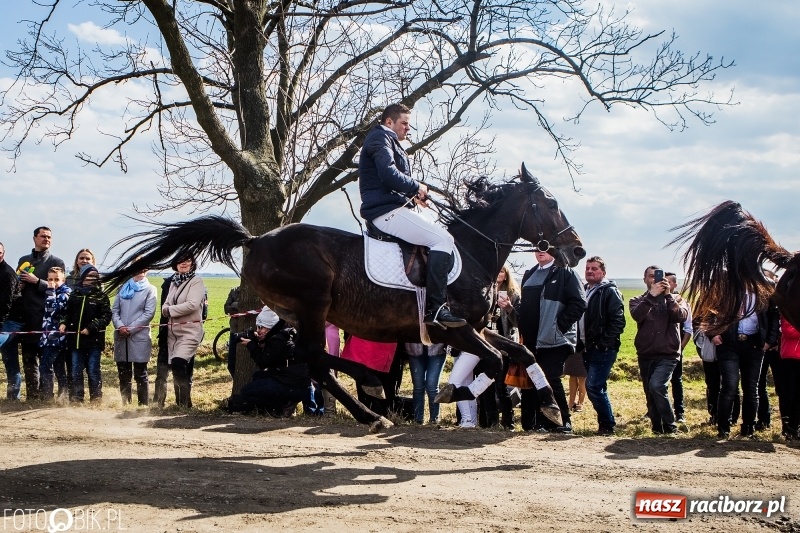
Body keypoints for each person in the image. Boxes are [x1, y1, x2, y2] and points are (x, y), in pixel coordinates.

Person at [358, 103, 465, 329]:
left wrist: (414, 197)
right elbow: (388, 174)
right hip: (385, 213)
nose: (409, 128)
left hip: (391, 207)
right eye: (404, 123)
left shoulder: (386, 140)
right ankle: (436, 309)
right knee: (443, 239)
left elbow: (388, 181)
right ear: (389, 122)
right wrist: (416, 186)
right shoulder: (380, 138)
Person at [516, 249, 586, 433]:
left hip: (555, 339)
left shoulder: (566, 272)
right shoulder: (530, 274)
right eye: (537, 248)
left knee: (550, 377)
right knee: (535, 380)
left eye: (545, 248)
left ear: (555, 250)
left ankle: (563, 422)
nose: (541, 251)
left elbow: (579, 303)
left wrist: (558, 326)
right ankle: (540, 423)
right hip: (531, 339)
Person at [709, 291, 778, 438]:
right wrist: (712, 334)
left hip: (754, 345)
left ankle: (748, 428)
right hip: (728, 345)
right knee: (729, 385)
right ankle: (723, 428)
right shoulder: (726, 289)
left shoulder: (764, 293)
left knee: (751, 388)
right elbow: (707, 312)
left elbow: (774, 316)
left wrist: (770, 341)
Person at [629, 266, 689, 435]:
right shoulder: (637, 300)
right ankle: (657, 428)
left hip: (668, 353)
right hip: (646, 353)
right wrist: (651, 297)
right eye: (651, 276)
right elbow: (637, 315)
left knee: (657, 386)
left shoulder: (676, 299)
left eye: (658, 277)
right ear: (645, 280)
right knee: (650, 392)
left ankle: (670, 425)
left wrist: (668, 295)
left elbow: (680, 317)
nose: (654, 280)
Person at [227, 306, 309, 416]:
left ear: (270, 327)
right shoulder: (282, 334)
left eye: (261, 327)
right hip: (289, 380)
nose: (258, 331)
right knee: (258, 376)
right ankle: (279, 405)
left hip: (292, 385)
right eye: (257, 327)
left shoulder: (277, 340)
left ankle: (283, 407)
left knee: (247, 391)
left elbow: (263, 362)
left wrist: (251, 345)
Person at [15, 227, 66, 401]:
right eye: (43, 236)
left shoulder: (56, 261)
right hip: (27, 317)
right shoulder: (24, 260)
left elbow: (60, 288)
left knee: (47, 362)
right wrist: (19, 286)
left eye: (49, 237)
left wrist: (38, 282)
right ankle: (32, 396)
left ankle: (46, 396)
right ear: (34, 238)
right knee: (29, 360)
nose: (46, 239)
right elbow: (17, 284)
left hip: (47, 319)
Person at [579, 256, 625, 435]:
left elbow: (618, 322)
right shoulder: (584, 290)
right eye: (588, 268)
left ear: (603, 273)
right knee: (598, 386)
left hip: (602, 348)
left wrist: (603, 344)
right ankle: (605, 424)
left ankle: (608, 425)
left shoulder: (609, 292)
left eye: (594, 268)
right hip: (586, 347)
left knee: (593, 386)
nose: (590, 271)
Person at [59, 265, 111, 402]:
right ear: (82, 277)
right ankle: (77, 399)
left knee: (93, 371)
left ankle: (96, 399)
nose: (91, 279)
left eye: (94, 277)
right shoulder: (74, 294)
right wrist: (63, 323)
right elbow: (66, 312)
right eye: (88, 276)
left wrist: (91, 327)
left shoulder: (101, 296)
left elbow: (106, 317)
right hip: (76, 341)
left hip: (94, 341)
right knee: (76, 371)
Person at [478, 265, 520, 428]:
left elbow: (518, 322)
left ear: (507, 275)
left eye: (502, 271)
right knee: (485, 385)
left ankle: (508, 422)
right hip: (485, 345)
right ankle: (490, 422)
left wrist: (509, 307)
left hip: (504, 345)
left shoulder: (513, 294)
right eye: (496, 270)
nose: (498, 274)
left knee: (501, 386)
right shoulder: (485, 292)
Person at [162, 253, 206, 408]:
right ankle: (180, 403)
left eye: (187, 260)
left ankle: (186, 403)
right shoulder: (174, 282)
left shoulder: (196, 281)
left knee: (179, 363)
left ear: (193, 263)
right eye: (180, 261)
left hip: (190, 331)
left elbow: (192, 304)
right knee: (176, 367)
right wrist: (167, 309)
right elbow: (165, 304)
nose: (184, 263)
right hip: (173, 333)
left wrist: (170, 311)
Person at [112, 267, 157, 405]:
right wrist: (120, 326)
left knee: (140, 374)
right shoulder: (122, 288)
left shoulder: (151, 289)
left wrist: (130, 329)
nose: (141, 269)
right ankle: (125, 403)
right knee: (123, 374)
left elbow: (149, 313)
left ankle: (143, 405)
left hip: (139, 336)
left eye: (144, 266)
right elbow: (115, 310)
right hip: (121, 336)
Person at [39, 267, 71, 401]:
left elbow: (51, 311)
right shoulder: (52, 291)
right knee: (58, 368)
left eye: (57, 279)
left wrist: (51, 291)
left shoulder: (65, 293)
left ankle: (48, 397)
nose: (53, 282)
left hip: (57, 338)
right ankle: (62, 398)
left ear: (63, 279)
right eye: (50, 279)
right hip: (48, 336)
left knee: (45, 367)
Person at [665, 272, 692, 424]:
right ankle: (654, 410)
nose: (666, 285)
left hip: (675, 349)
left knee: (676, 380)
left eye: (669, 282)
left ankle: (679, 412)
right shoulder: (655, 300)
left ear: (675, 285)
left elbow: (688, 328)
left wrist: (680, 348)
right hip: (657, 348)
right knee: (656, 382)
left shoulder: (682, 302)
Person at [0, 242, 24, 399]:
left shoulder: (7, 274)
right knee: (10, 359)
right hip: (4, 320)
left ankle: (14, 396)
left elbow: (5, 305)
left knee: (11, 360)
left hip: (11, 321)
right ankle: (14, 397)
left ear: (3, 253)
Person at [406, 342, 447, 424]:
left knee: (432, 386)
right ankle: (417, 420)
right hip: (413, 347)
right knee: (418, 386)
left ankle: (434, 420)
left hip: (438, 347)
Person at [779, 316, 800, 440]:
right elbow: (788, 331)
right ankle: (791, 427)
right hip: (792, 357)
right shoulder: (790, 310)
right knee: (791, 395)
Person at [223, 285, 240, 377]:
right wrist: (235, 306)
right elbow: (226, 308)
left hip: (249, 332)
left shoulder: (255, 291)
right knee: (231, 364)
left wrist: (235, 305)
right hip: (234, 330)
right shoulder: (234, 290)